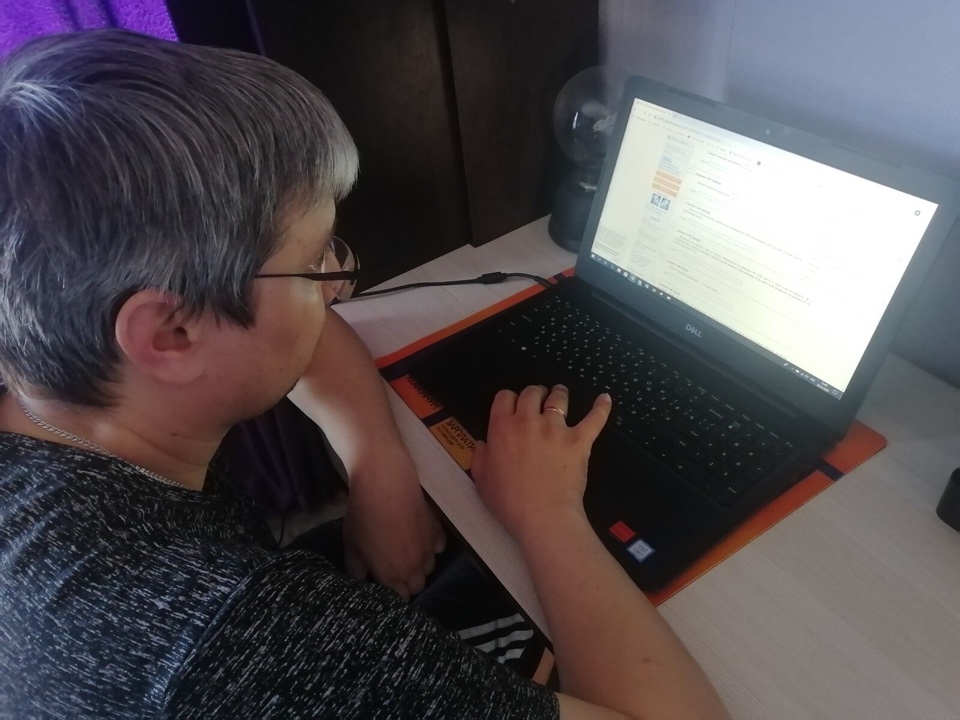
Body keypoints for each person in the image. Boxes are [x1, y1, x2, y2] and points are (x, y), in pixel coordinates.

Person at [0, 29, 729, 719]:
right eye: (312, 262)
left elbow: (307, 342)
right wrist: (546, 513)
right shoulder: (236, 642)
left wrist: (379, 467)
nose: (339, 284)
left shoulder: (49, 387)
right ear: (172, 333)